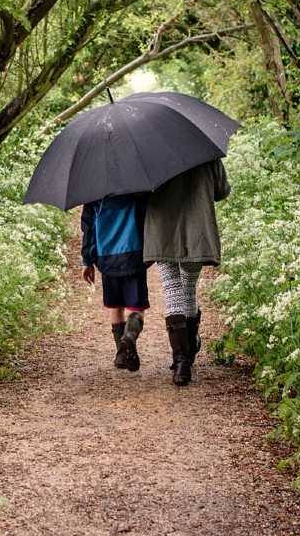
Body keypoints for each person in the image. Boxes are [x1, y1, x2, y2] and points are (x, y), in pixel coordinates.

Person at [143, 159, 231, 386]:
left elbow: (138, 194)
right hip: (197, 230)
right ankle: (189, 351)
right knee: (188, 289)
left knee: (172, 290)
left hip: (162, 230)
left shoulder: (149, 153)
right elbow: (222, 191)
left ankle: (181, 363)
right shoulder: (206, 152)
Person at [81, 194, 149, 371]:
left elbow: (88, 229)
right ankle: (130, 336)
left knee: (115, 305)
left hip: (106, 258)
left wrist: (87, 261)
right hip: (135, 255)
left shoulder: (94, 195)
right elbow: (148, 219)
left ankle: (120, 353)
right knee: (136, 308)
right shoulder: (137, 190)